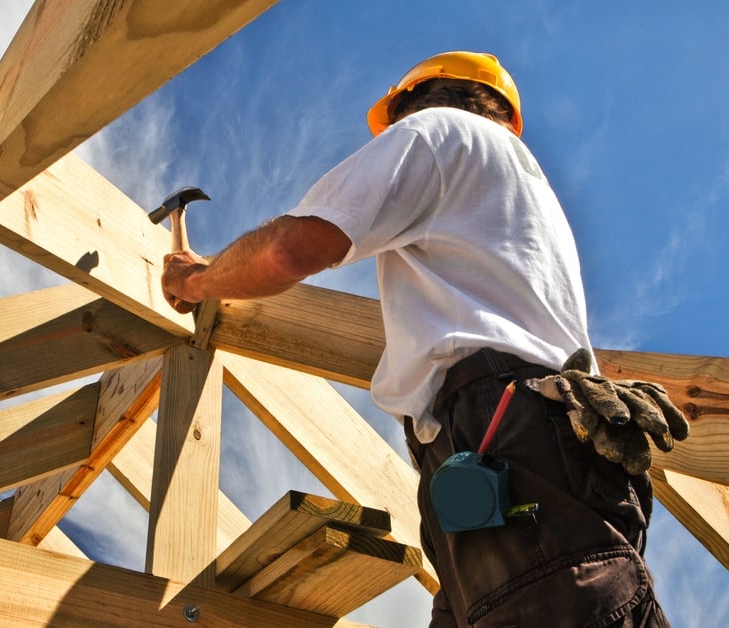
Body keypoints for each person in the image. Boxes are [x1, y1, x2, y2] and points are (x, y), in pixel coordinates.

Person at [162, 51, 670, 627]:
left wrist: (198, 279)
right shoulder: (522, 191)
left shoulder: (436, 133)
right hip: (530, 449)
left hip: (502, 432)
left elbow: (289, 249)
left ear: (413, 103)